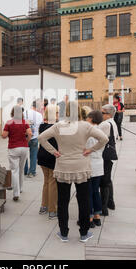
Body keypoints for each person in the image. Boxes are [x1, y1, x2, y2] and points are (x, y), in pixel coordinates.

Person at [38, 101, 108, 243]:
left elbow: (41, 138)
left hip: (63, 167)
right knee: (84, 200)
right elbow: (104, 139)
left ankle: (63, 233)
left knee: (63, 201)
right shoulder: (86, 126)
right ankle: (84, 233)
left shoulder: (58, 126)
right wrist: (91, 150)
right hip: (81, 167)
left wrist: (54, 152)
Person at [2, 105, 32, 202]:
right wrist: (27, 140)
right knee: (21, 169)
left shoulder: (9, 122)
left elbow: (3, 135)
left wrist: (9, 133)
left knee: (14, 170)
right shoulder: (25, 122)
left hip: (13, 148)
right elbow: (30, 133)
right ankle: (21, 188)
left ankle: (16, 193)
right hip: (24, 148)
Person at [37, 105, 59, 219]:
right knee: (52, 183)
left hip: (42, 155)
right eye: (57, 113)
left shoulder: (42, 125)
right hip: (52, 156)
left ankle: (43, 206)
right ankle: (52, 210)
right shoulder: (56, 127)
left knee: (46, 182)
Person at [86, 111, 106, 227]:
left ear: (91, 118)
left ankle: (89, 217)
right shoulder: (101, 130)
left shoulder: (89, 132)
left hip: (90, 163)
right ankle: (97, 216)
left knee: (88, 192)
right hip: (99, 163)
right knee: (95, 191)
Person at [99, 104, 119, 216]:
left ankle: (104, 207)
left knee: (104, 182)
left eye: (102, 113)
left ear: (109, 114)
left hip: (104, 155)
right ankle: (110, 202)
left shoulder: (106, 124)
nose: (101, 115)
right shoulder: (113, 123)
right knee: (107, 180)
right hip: (109, 154)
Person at [24, 101, 44, 177]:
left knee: (24, 155)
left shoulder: (24, 112)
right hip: (34, 137)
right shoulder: (39, 115)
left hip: (25, 137)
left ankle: (25, 170)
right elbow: (40, 127)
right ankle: (32, 172)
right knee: (33, 155)